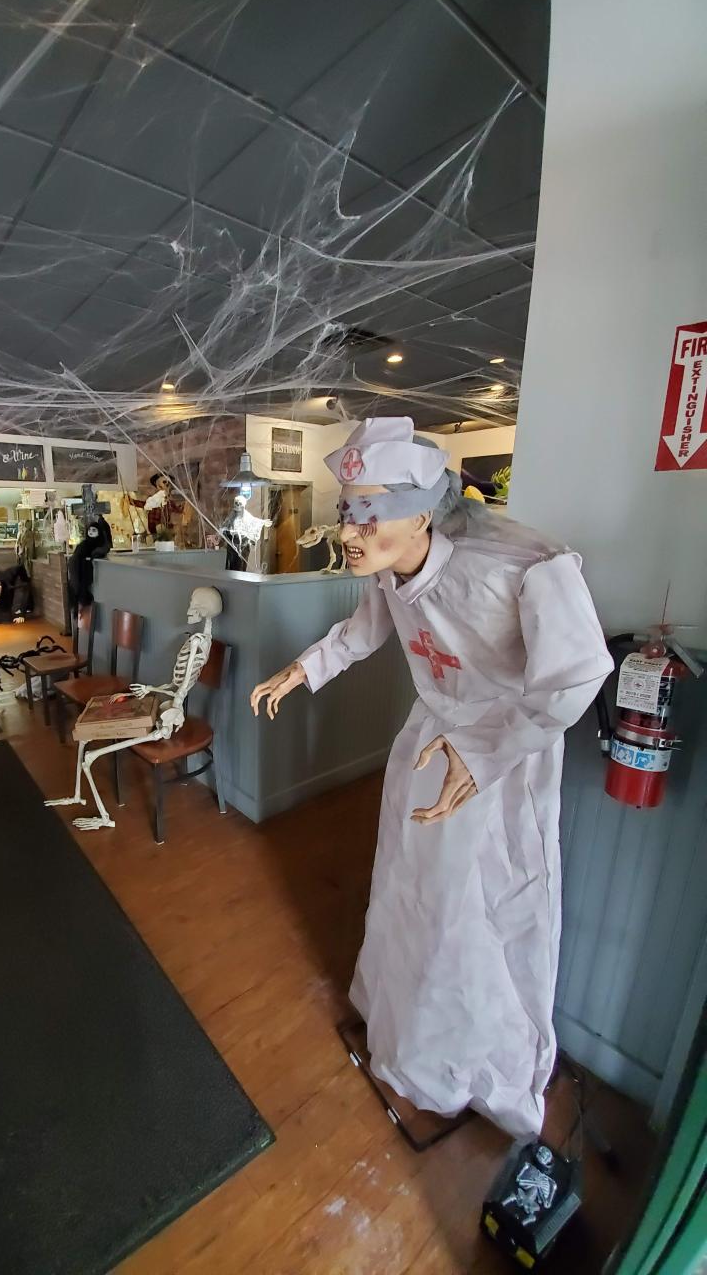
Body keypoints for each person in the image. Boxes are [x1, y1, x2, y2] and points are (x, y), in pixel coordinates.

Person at [250, 416, 613, 1139]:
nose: (350, 533)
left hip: (503, 758)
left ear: (420, 513)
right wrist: (304, 668)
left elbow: (576, 677)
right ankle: (406, 1036)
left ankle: (476, 1063)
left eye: (369, 513)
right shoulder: (390, 566)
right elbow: (365, 629)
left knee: (482, 912)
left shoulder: (530, 566)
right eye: (345, 511)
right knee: (410, 892)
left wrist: (480, 755)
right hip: (428, 744)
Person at [128, 472, 184, 538]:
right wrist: (131, 501)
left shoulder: (169, 502)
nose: (167, 485)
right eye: (164, 482)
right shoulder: (153, 500)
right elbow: (144, 504)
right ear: (157, 485)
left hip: (164, 529)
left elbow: (177, 509)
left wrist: (183, 508)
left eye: (168, 483)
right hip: (154, 528)